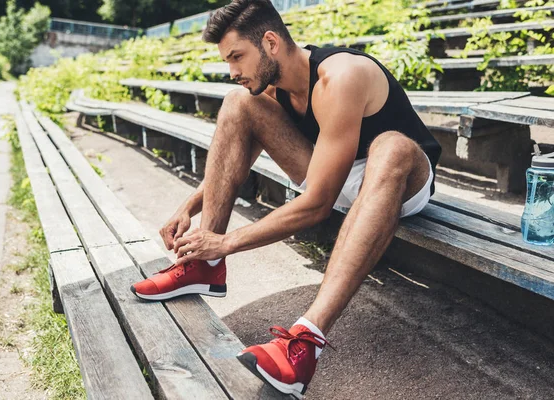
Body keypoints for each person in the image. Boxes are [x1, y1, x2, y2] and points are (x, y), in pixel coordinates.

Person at [130, 0, 441, 397]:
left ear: (271, 42)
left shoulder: (340, 77)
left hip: (400, 181)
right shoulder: (272, 86)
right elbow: (240, 157)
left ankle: (305, 343)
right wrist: (189, 208)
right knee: (236, 103)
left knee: (392, 146)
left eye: (237, 57)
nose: (233, 71)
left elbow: (318, 203)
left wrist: (230, 242)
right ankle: (203, 266)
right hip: (333, 171)